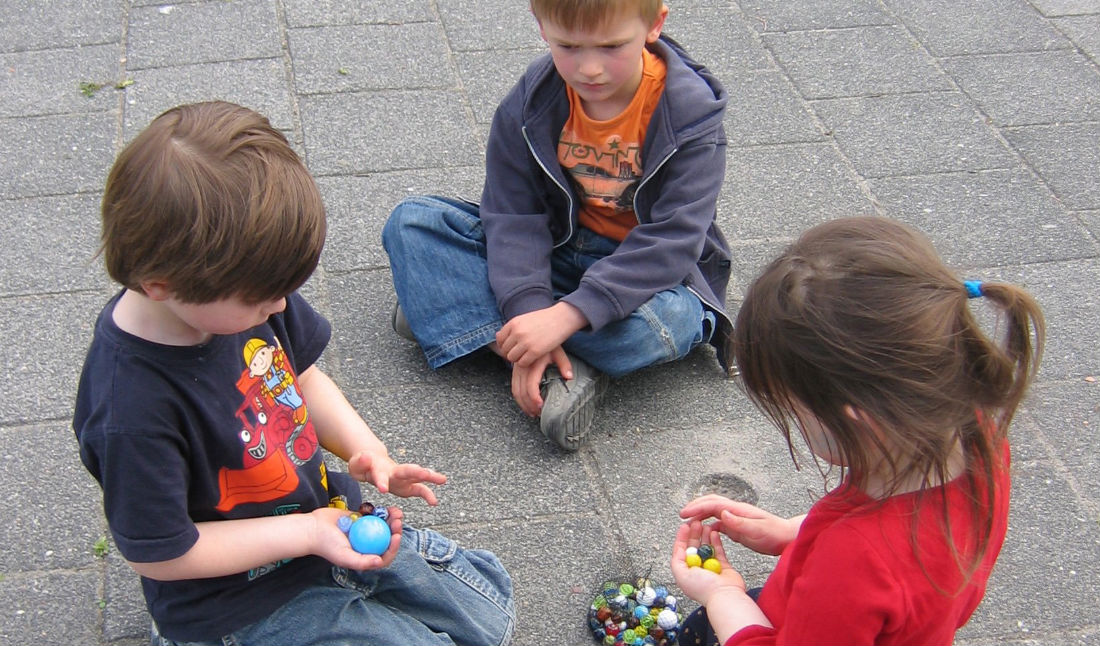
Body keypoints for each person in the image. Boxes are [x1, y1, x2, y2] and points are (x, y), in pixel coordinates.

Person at [72, 101, 515, 646]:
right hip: (238, 599)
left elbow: (301, 378)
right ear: (161, 284)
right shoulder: (129, 409)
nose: (281, 307)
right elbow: (163, 554)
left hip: (319, 524)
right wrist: (305, 533)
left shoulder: (243, 294)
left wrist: (367, 450)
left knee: (488, 614)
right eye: (264, 298)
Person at [670, 216, 1045, 645]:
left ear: (858, 420)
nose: (794, 424)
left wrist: (721, 596)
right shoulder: (977, 436)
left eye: (794, 412)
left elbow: (857, 568)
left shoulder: (851, 562)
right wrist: (793, 532)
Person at [382, 0, 732, 450]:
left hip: (645, 278)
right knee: (412, 223)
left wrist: (567, 315)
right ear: (541, 26)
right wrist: (529, 310)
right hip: (557, 252)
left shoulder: (689, 113)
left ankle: (463, 322)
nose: (589, 68)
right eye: (568, 46)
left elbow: (674, 241)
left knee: (670, 322)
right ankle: (546, 361)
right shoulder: (534, 98)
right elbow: (513, 213)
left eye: (611, 46)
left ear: (655, 24)